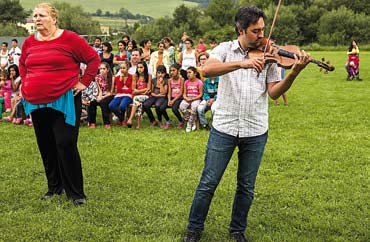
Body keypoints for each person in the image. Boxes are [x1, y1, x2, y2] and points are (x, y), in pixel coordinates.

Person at [183, 5, 311, 242]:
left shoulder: (270, 55)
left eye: (263, 29)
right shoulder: (224, 49)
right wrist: (241, 64)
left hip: (255, 129)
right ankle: (194, 229)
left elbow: (274, 93)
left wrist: (293, 73)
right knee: (209, 182)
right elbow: (207, 70)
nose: (262, 36)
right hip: (225, 127)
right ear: (240, 30)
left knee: (246, 186)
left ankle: (237, 231)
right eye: (256, 31)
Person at [19, 3, 100, 206]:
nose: (37, 19)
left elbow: (93, 59)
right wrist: (26, 83)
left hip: (64, 100)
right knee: (46, 145)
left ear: (54, 18)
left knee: (65, 144)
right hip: (36, 102)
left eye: (42, 15)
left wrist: (84, 82)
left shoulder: (70, 39)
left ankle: (76, 194)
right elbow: (22, 64)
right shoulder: (29, 42)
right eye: (35, 15)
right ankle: (54, 188)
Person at [87, 62, 115, 128]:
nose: (102, 70)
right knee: (92, 102)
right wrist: (99, 96)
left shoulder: (112, 77)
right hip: (102, 94)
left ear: (107, 70)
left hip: (110, 95)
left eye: (104, 69)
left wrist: (103, 97)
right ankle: (92, 122)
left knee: (103, 102)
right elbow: (99, 90)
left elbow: (111, 92)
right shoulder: (97, 78)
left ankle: (107, 123)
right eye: (100, 69)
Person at [126, 61, 152, 129]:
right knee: (138, 103)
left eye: (141, 67)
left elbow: (149, 88)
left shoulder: (149, 75)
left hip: (146, 96)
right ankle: (138, 125)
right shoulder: (135, 76)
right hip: (138, 96)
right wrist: (142, 91)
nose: (139, 69)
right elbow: (133, 89)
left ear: (145, 68)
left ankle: (130, 119)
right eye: (138, 67)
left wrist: (138, 91)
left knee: (136, 99)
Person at [108, 60, 133, 127]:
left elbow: (131, 89)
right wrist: (120, 80)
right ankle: (122, 119)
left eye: (124, 68)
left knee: (122, 106)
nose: (122, 70)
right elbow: (119, 90)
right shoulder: (118, 77)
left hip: (128, 95)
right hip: (119, 95)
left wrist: (124, 90)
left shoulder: (132, 77)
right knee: (111, 105)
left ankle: (121, 120)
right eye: (121, 68)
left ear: (128, 68)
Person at [179, 66, 203, 133]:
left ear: (195, 73)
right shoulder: (186, 82)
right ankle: (192, 119)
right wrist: (186, 98)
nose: (188, 74)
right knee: (182, 106)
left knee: (194, 107)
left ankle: (189, 124)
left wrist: (194, 98)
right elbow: (184, 93)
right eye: (187, 73)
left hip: (196, 98)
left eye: (190, 72)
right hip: (188, 98)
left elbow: (200, 94)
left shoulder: (199, 82)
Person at [164, 63, 184, 129]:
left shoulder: (182, 80)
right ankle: (168, 120)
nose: (171, 72)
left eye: (173, 70)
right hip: (171, 98)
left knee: (174, 109)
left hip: (178, 98)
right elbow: (169, 91)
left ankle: (181, 121)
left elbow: (181, 93)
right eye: (170, 71)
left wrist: (173, 101)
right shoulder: (169, 80)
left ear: (178, 71)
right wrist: (169, 100)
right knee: (161, 107)